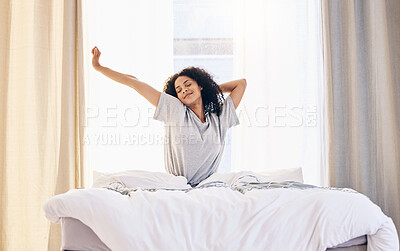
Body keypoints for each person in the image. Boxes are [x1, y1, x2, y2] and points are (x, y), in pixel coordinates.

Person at [91, 46, 246, 186]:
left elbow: (241, 83)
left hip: (208, 187)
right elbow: (135, 83)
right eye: (179, 90)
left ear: (200, 85)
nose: (184, 90)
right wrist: (99, 67)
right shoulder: (176, 110)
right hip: (176, 186)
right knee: (120, 180)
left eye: (188, 84)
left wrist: (209, 89)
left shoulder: (219, 118)